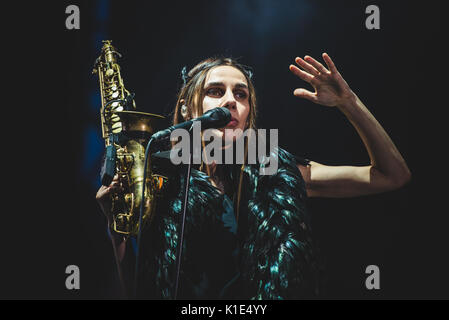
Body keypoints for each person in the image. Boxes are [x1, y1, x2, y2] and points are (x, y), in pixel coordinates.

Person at [96, 53, 411, 299]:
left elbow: (391, 175)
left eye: (241, 95)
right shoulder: (158, 180)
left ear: (248, 117)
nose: (231, 100)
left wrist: (349, 103)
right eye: (215, 91)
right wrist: (118, 238)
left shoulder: (278, 171)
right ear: (188, 109)